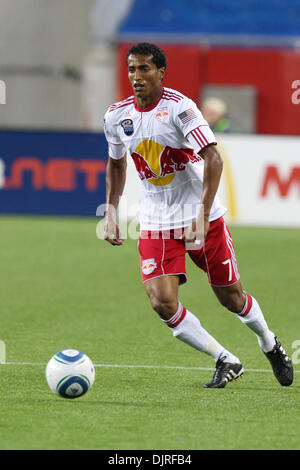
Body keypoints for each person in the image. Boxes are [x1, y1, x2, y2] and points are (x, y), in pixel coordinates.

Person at [103, 42, 293, 388]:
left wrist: (203, 215)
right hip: (157, 223)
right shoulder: (117, 116)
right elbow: (116, 163)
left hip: (201, 218)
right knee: (162, 302)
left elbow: (213, 158)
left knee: (231, 297)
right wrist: (111, 211)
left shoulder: (180, 108)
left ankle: (269, 342)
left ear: (161, 72)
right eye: (131, 69)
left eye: (145, 69)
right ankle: (225, 359)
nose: (136, 76)